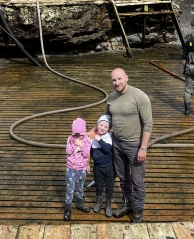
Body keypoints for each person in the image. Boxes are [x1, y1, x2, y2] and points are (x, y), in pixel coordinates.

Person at [100, 68, 153, 223]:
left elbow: (148, 124)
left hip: (135, 145)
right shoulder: (111, 98)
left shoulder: (140, 97)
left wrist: (143, 147)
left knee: (137, 181)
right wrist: (86, 136)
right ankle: (127, 204)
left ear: (126, 78)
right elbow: (105, 120)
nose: (117, 83)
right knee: (123, 178)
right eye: (114, 80)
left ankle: (138, 212)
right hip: (117, 143)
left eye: (119, 79)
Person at [64, 117, 91, 221]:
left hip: (81, 169)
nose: (78, 137)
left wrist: (82, 145)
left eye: (80, 135)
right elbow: (68, 151)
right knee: (70, 189)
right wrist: (74, 145)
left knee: (80, 187)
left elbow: (86, 154)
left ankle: (80, 204)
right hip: (70, 168)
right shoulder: (70, 139)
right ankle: (68, 208)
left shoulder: (87, 139)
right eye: (76, 134)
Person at [91, 115, 115, 217]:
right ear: (97, 125)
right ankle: (99, 202)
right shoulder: (92, 137)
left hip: (109, 167)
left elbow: (106, 149)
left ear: (108, 129)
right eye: (101, 125)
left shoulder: (109, 136)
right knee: (99, 186)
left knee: (109, 187)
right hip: (97, 167)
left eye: (106, 127)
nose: (102, 128)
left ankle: (108, 205)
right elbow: (90, 152)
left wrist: (99, 140)